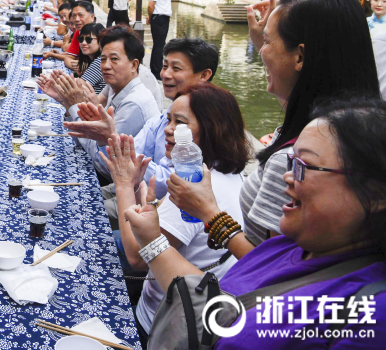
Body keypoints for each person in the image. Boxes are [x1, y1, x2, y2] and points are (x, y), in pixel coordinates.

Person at [125, 97, 386, 348]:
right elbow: (219, 305)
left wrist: (125, 185)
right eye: (291, 162)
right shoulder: (287, 247)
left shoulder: (371, 316)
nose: (286, 176)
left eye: (305, 166)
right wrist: (153, 240)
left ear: (376, 194)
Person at [171, 0, 379, 260]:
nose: (261, 53)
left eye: (268, 43)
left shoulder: (296, 161)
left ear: (301, 57)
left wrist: (209, 213)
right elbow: (300, 91)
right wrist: (269, 39)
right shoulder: (361, 129)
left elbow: (272, 267)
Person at [103, 83, 250, 340]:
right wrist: (138, 188)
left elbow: (137, 256)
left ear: (213, 129)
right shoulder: (228, 173)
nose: (168, 130)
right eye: (168, 119)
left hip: (160, 324)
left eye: (180, 123)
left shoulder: (194, 188)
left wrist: (124, 184)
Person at [66, 38, 219, 218]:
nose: (166, 75)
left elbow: (167, 181)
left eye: (176, 69)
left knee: (79, 213)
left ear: (204, 75)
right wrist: (106, 139)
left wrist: (109, 139)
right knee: (71, 201)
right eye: (164, 66)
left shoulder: (209, 122)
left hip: (160, 211)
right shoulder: (164, 117)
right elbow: (132, 157)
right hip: (133, 191)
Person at [48, 26, 161, 179]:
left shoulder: (134, 103)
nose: (106, 66)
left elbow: (104, 165)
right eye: (103, 59)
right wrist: (67, 103)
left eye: (114, 59)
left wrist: (74, 105)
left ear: (134, 65)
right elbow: (86, 139)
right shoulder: (116, 86)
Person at [45, 1, 94, 70]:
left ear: (92, 17)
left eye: (81, 15)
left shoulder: (98, 34)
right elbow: (69, 57)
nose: (76, 19)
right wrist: (78, 68)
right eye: (74, 16)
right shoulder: (78, 32)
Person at [147, 0, 175, 79]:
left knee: (159, 44)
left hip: (163, 18)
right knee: (159, 45)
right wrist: (151, 17)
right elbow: (151, 5)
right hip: (158, 18)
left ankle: (155, 68)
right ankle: (156, 71)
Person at [76, 22, 106, 94]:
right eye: (81, 39)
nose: (83, 43)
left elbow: (78, 86)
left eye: (88, 39)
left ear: (101, 41)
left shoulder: (100, 61)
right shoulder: (95, 59)